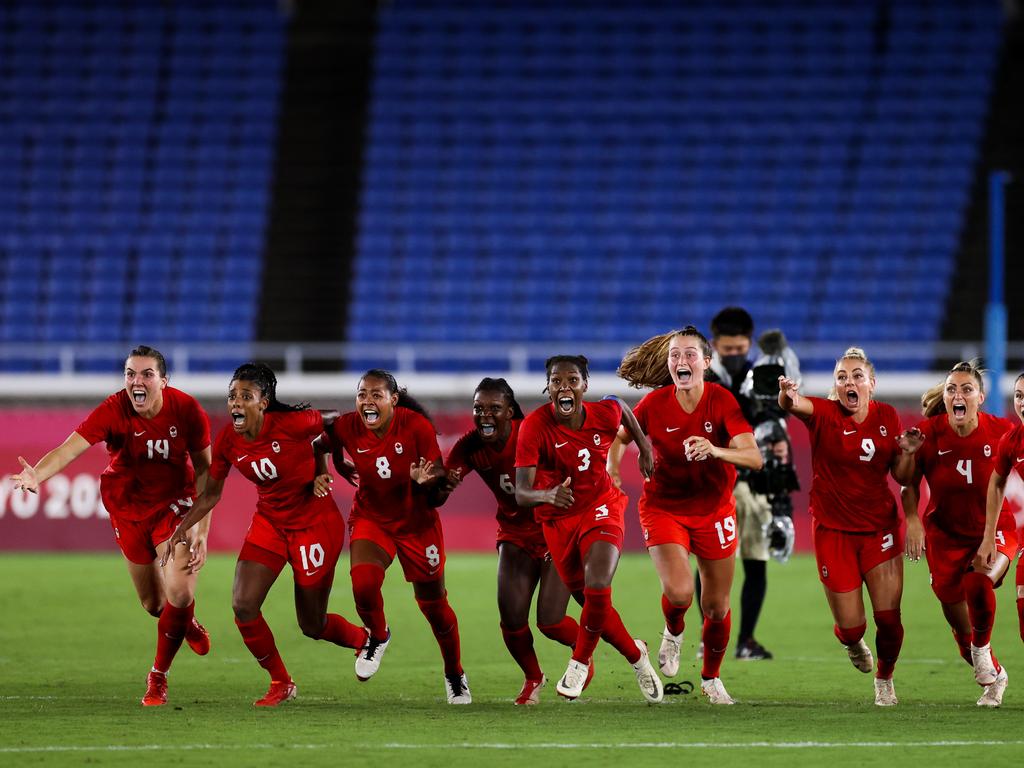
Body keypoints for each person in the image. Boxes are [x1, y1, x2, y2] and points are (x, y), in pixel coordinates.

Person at [11, 345, 213, 706]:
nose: (137, 381)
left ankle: (157, 678)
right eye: (130, 374)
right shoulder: (113, 408)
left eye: (146, 374)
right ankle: (186, 622)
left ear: (164, 381)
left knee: (179, 591)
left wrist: (200, 529)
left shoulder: (187, 410)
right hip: (128, 509)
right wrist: (37, 474)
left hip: (175, 506)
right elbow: (68, 449)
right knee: (155, 604)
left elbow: (205, 472)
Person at [162, 363, 367, 707]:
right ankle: (281, 681)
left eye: (246, 396)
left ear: (264, 402)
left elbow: (335, 423)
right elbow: (211, 494)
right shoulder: (227, 439)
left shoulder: (292, 423)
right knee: (243, 605)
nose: (236, 403)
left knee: (312, 624)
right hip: (270, 523)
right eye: (232, 396)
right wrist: (182, 528)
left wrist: (334, 463)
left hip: (313, 523)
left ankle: (368, 638)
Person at [611, 326, 762, 705]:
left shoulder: (722, 401)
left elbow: (753, 457)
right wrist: (613, 469)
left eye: (690, 354)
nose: (681, 361)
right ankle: (673, 631)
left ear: (706, 363)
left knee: (716, 606)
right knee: (679, 592)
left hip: (714, 510)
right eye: (675, 355)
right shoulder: (654, 404)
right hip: (664, 507)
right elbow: (620, 437)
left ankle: (711, 679)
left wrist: (715, 450)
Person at [514, 354, 664, 704]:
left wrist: (644, 446)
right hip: (558, 519)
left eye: (571, 381)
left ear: (584, 386)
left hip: (602, 507)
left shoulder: (602, 413)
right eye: (556, 382)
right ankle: (637, 656)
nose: (564, 387)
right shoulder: (535, 426)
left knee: (598, 583)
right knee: (595, 606)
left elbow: (621, 406)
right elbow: (522, 492)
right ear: (548, 388)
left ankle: (579, 662)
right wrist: (548, 493)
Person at [321, 369, 471, 704]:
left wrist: (426, 481)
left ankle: (454, 673)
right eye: (362, 394)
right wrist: (334, 462)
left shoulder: (416, 427)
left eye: (376, 394)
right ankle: (378, 636)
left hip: (417, 523)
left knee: (434, 607)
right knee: (363, 582)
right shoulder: (348, 425)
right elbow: (323, 438)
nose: (368, 401)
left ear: (394, 400)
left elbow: (438, 491)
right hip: (373, 518)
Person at [778, 347, 915, 706]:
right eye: (841, 377)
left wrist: (909, 453)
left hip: (879, 530)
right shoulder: (824, 413)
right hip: (834, 531)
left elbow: (900, 474)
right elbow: (795, 405)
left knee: (889, 619)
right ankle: (852, 642)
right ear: (835, 386)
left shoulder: (888, 416)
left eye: (856, 376)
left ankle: (885, 679)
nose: (849, 382)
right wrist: (787, 394)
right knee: (853, 627)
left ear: (871, 382)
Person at [436, 377, 581, 705]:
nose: (484, 415)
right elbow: (440, 495)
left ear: (511, 412)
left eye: (494, 408)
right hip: (515, 534)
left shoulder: (532, 432)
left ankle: (582, 655)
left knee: (551, 620)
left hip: (554, 528)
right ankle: (533, 678)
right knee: (512, 619)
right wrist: (438, 485)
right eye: (478, 408)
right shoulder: (470, 446)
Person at [895, 361, 1014, 707]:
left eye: (966, 389)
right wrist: (913, 520)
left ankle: (982, 650)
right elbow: (908, 485)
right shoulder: (928, 433)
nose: (958, 395)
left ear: (981, 396)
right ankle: (994, 671)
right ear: (945, 397)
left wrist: (989, 537)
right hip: (945, 537)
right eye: (951, 389)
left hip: (995, 529)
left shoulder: (1002, 431)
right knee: (963, 634)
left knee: (978, 582)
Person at [706, 307, 800, 660]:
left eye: (739, 349)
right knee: (710, 561)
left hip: (754, 479)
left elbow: (780, 411)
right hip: (716, 481)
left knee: (755, 559)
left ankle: (745, 639)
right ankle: (708, 636)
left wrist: (778, 438)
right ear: (714, 345)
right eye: (727, 350)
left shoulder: (762, 374)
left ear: (748, 344)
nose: (734, 356)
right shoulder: (699, 377)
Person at [985, 373, 1024, 660]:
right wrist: (989, 536)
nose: (1023, 402)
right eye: (1019, 396)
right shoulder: (1011, 441)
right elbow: (996, 482)